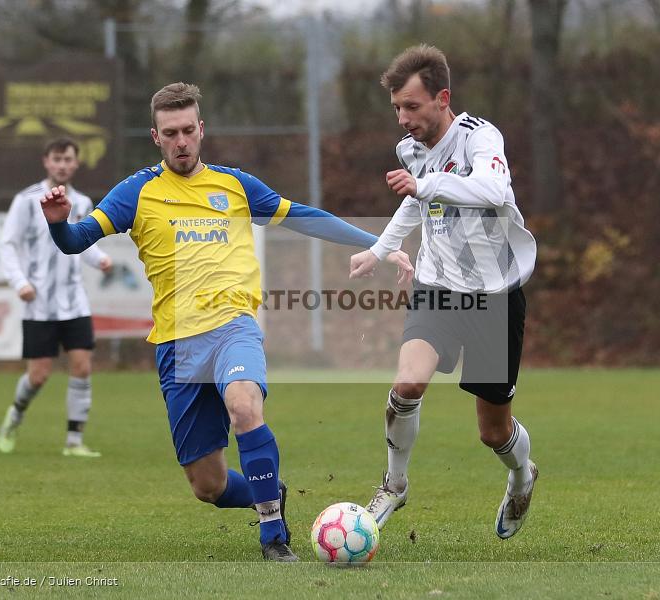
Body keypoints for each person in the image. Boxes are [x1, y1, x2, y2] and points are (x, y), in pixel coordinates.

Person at [39, 82, 412, 562]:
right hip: (177, 343)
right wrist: (57, 222)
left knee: (243, 406)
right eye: (170, 133)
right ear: (155, 135)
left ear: (201, 130)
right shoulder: (136, 192)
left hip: (233, 325)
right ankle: (268, 488)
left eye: (188, 130)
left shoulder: (235, 185)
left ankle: (273, 535)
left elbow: (303, 216)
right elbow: (75, 241)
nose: (181, 142)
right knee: (208, 485)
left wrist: (381, 244)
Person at [350, 45, 539, 539]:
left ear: (442, 99)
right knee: (407, 385)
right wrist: (379, 249)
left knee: (493, 432)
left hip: (494, 295)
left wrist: (426, 185)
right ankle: (394, 484)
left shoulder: (480, 137)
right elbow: (415, 203)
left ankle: (522, 475)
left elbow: (492, 192)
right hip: (437, 285)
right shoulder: (409, 150)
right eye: (396, 108)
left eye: (411, 107)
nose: (403, 119)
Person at [0, 137, 113, 458]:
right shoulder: (26, 200)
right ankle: (16, 414)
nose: (62, 165)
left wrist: (100, 258)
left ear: (76, 164)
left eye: (68, 160)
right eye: (57, 159)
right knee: (39, 375)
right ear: (46, 162)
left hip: (74, 300)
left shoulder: (83, 202)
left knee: (81, 366)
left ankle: (74, 442)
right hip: (38, 303)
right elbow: (8, 244)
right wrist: (20, 282)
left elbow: (82, 244)